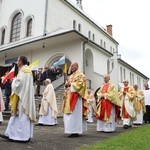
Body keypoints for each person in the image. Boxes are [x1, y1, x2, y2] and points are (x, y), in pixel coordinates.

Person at [0, 56, 36, 142]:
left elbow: (19, 84)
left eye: (18, 60)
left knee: (22, 116)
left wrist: (14, 80)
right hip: (22, 96)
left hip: (22, 98)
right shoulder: (26, 71)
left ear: (22, 61)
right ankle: (11, 134)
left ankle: (22, 136)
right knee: (16, 116)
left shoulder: (24, 71)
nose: (17, 62)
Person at [62, 62, 88, 137]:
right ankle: (70, 130)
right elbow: (67, 84)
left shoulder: (80, 75)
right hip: (69, 96)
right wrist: (67, 84)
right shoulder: (71, 76)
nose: (71, 68)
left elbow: (81, 84)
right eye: (71, 66)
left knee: (75, 114)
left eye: (73, 66)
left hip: (76, 98)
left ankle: (75, 131)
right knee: (69, 115)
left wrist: (71, 84)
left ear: (77, 66)